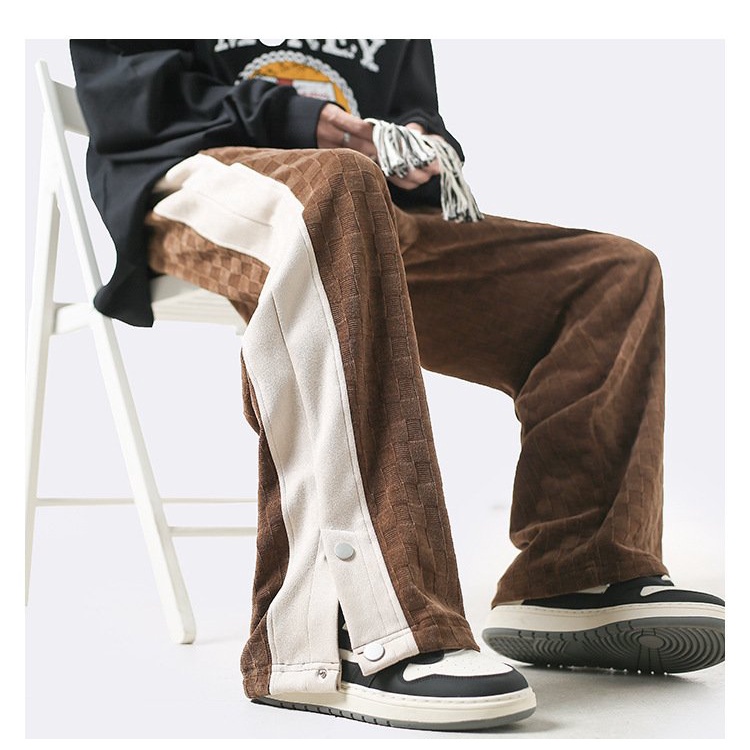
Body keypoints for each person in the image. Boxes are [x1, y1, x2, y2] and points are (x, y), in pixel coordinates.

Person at [68, 39, 725, 732]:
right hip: (190, 177)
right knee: (337, 187)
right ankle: (345, 627)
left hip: (361, 201)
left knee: (609, 276)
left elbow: (411, 105)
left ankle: (576, 573)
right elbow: (129, 96)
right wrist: (297, 121)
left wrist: (422, 145)